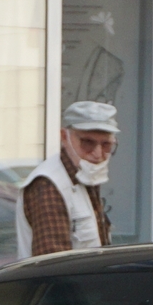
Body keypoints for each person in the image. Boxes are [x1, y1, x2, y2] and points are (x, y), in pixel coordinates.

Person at [18, 100, 119, 256]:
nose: (98, 154)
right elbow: (54, 266)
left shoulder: (83, 176)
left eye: (106, 145)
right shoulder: (49, 185)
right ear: (64, 137)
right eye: (87, 143)